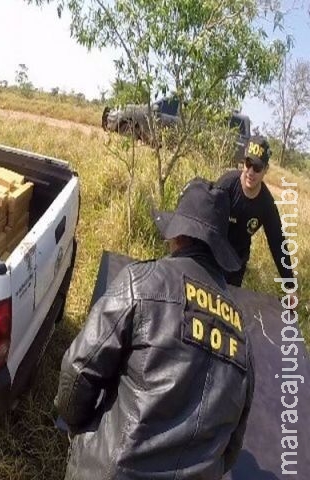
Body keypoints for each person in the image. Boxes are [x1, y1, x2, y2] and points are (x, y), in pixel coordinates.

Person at [56, 178, 254, 480]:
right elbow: (231, 448)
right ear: (219, 251)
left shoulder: (142, 283)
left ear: (178, 237)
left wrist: (81, 432)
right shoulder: (242, 334)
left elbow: (77, 371)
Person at [215, 135, 295, 287]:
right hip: (213, 254)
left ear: (266, 170)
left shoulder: (266, 204)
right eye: (248, 164)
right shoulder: (227, 184)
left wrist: (290, 285)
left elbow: (277, 242)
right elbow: (205, 219)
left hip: (236, 262)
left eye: (257, 168)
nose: (250, 172)